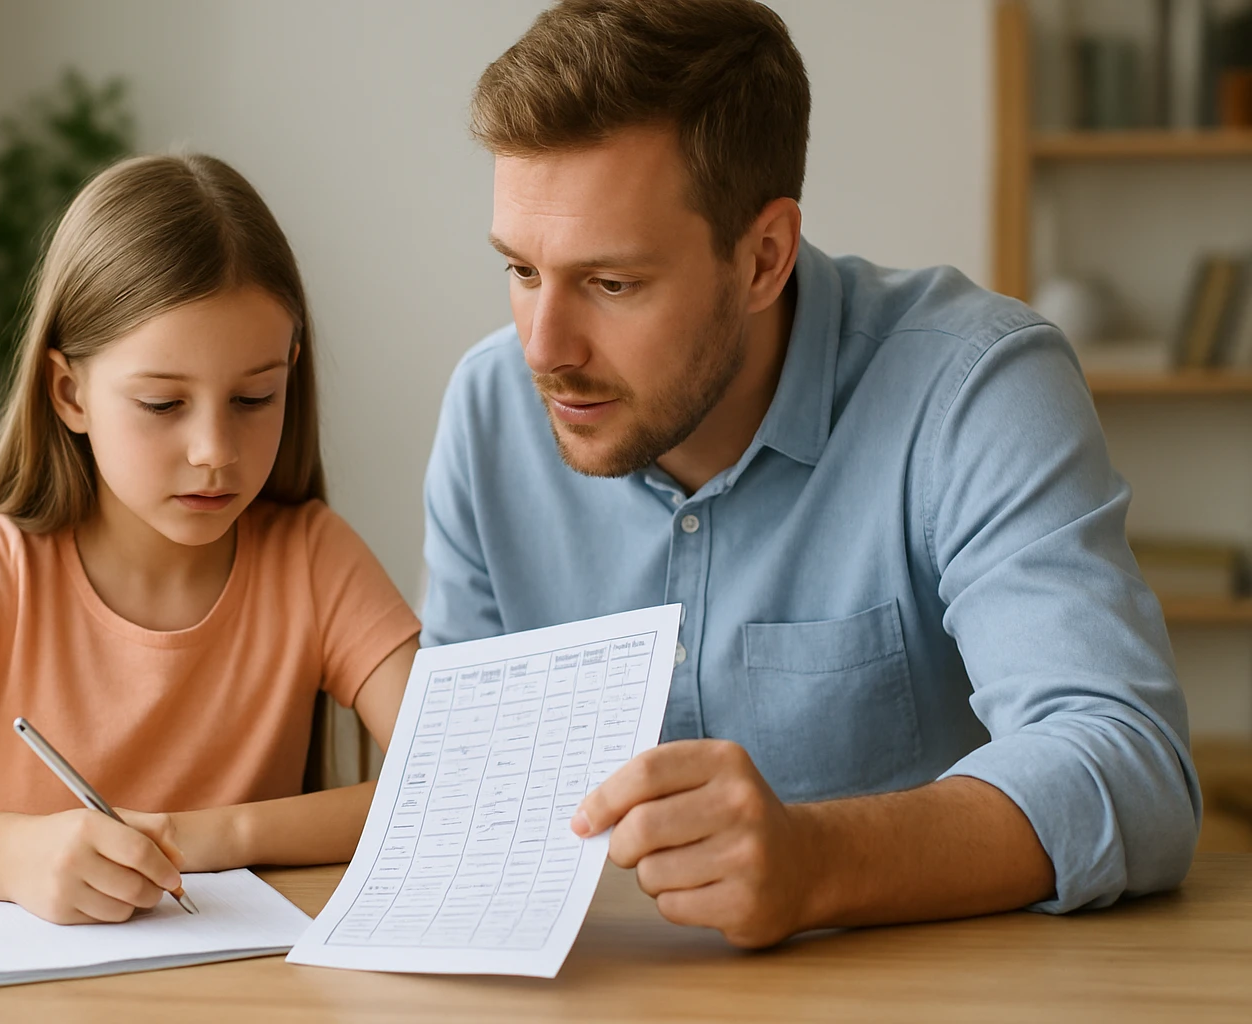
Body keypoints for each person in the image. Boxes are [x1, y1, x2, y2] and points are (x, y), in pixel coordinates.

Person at [422, 0, 1200, 948]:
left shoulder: (972, 388)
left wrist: (817, 861)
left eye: (612, 283)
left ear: (764, 258)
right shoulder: (489, 410)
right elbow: (458, 791)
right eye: (521, 270)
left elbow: (1131, 768)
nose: (544, 350)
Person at [0, 154, 420, 925]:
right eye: (162, 404)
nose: (214, 451)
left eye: (254, 397)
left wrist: (209, 835)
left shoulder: (315, 559)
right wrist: (12, 855)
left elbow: (460, 785)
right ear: (70, 393)